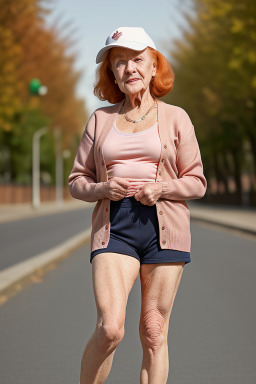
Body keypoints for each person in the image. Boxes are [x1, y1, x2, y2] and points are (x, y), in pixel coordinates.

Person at [68, 26, 207, 384]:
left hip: (165, 228)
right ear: (111, 73)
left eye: (137, 60)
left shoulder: (177, 118)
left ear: (153, 66)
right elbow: (76, 182)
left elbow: (197, 182)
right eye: (119, 63)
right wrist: (102, 187)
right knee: (110, 328)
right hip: (115, 226)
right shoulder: (100, 119)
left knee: (154, 332)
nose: (129, 68)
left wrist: (162, 188)